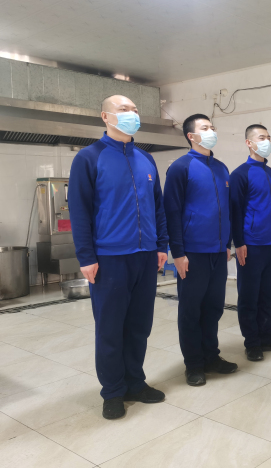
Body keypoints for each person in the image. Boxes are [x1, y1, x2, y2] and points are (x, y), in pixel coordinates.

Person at [68, 95, 169, 420]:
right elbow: (79, 211)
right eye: (124, 110)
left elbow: (158, 206)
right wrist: (86, 256)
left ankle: (135, 383)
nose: (132, 114)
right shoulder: (89, 158)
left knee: (139, 326)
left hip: (145, 256)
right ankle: (112, 391)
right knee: (110, 329)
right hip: (109, 258)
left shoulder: (146, 159)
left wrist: (161, 245)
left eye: (135, 110)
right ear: (105, 117)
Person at [163, 114, 238, 387]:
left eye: (212, 127)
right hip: (192, 252)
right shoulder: (180, 168)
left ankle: (211, 357)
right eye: (205, 128)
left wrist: (227, 244)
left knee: (213, 308)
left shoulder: (221, 168)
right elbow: (172, 212)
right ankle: (194, 364)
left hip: (218, 251)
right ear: (191, 136)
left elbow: (226, 210)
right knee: (191, 311)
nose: (211, 131)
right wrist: (178, 253)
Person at [230, 124, 271, 361]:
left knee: (267, 295)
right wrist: (239, 243)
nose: (266, 141)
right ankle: (252, 342)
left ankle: (266, 336)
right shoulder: (240, 174)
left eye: (268, 137)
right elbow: (235, 211)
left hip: (269, 244)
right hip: (250, 244)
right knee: (249, 296)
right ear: (249, 142)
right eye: (261, 137)